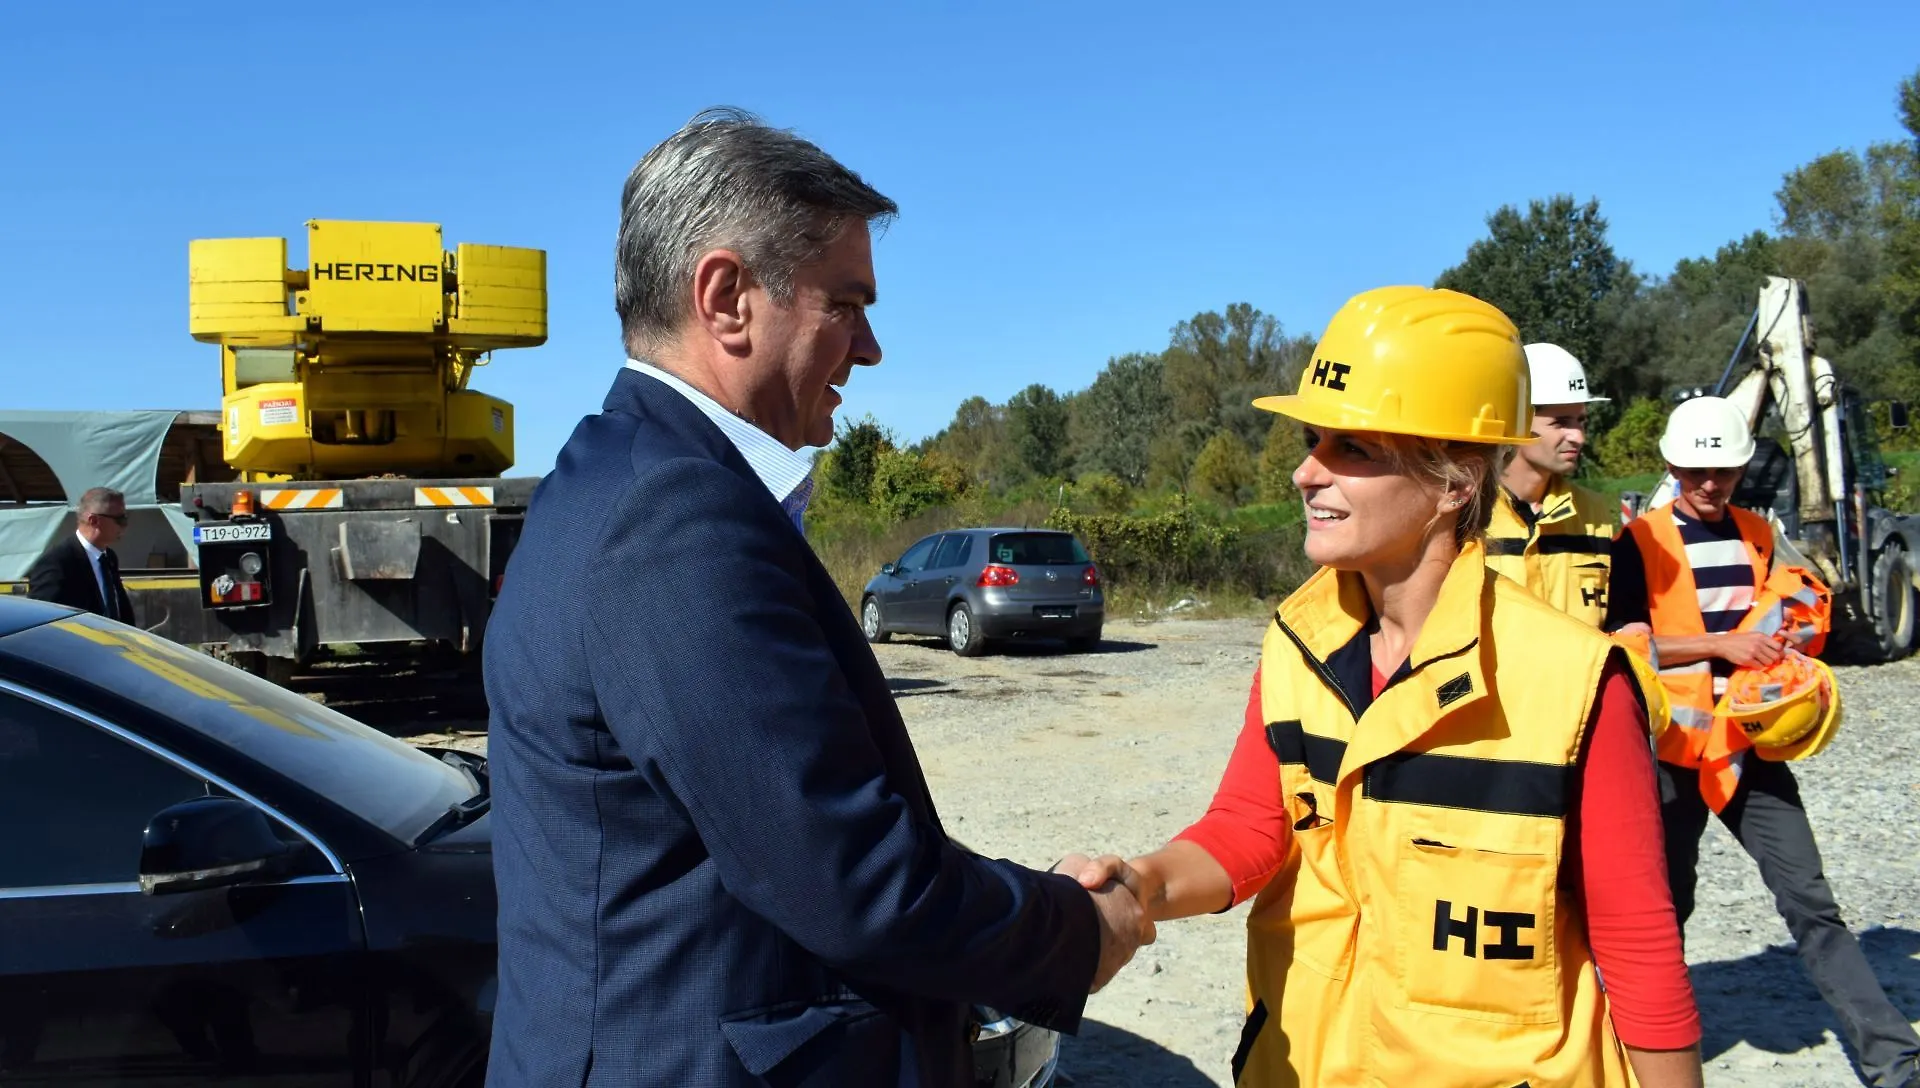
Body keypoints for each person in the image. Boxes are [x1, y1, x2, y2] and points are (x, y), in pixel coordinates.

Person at [482, 108, 1150, 1088]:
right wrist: (1073, 929)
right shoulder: (675, 519)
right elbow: (853, 875)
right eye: (847, 302)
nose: (870, 347)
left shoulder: (615, 477)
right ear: (728, 297)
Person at [1063, 286, 1703, 1088]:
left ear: (1455, 484)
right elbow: (1251, 827)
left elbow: (1639, 946)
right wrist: (1137, 888)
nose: (1305, 472)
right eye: (1312, 440)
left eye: (1353, 449)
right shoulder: (1300, 639)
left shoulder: (1575, 684)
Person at [1607, 395, 1920, 1088]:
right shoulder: (1640, 541)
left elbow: (1801, 607)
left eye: (1722, 471)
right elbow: (1625, 646)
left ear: (1744, 467)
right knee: (1663, 912)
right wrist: (1725, 644)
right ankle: (1635, 1055)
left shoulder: (1757, 533)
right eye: (1695, 472)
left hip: (1750, 747)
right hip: (1673, 756)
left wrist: (1791, 644)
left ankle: (1893, 1061)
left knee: (1811, 901)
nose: (1710, 485)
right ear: (1670, 465)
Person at [1485, 343, 1619, 626]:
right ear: (1517, 421)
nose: (1578, 437)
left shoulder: (1594, 513)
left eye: (1581, 421)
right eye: (1561, 423)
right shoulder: (1468, 514)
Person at [26, 487, 134, 623]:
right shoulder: (57, 561)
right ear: (94, 520)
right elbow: (41, 620)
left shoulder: (109, 558)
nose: (125, 525)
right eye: (120, 519)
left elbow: (119, 611)